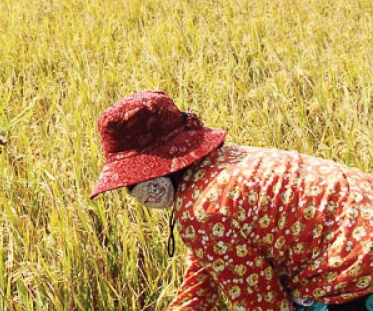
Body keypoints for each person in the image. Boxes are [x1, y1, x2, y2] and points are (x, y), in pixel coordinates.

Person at [90, 90, 373, 311]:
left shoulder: (202, 211)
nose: (130, 193)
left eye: (129, 184)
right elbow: (203, 274)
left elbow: (262, 302)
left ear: (153, 180)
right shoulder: (223, 163)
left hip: (356, 274)